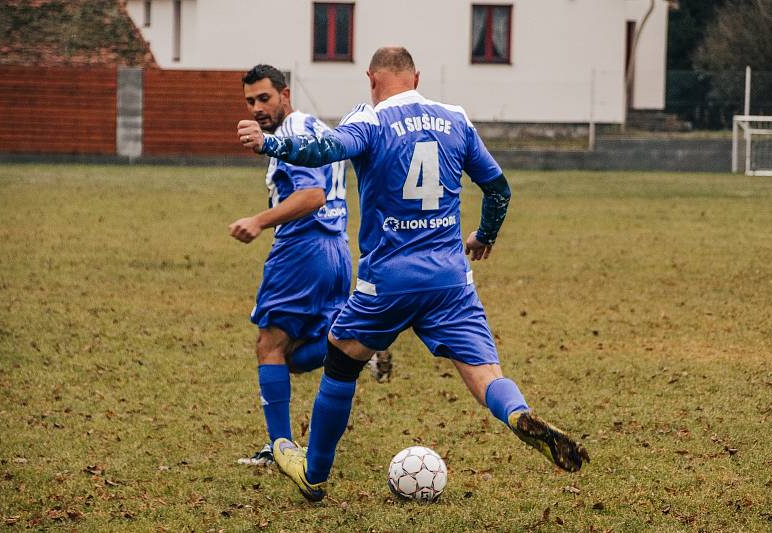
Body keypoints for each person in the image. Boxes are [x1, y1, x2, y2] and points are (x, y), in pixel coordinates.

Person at [237, 48, 589, 500]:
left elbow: (324, 149)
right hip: (451, 281)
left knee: (341, 363)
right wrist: (484, 235)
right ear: (416, 77)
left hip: (387, 282)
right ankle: (519, 414)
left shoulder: (370, 120)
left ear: (371, 80)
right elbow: (498, 189)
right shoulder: (455, 118)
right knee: (485, 375)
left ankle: (315, 474)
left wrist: (271, 143)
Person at [230, 64, 390, 467]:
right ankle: (366, 346)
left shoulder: (292, 133)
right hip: (336, 249)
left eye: (264, 98)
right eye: (250, 101)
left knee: (269, 346)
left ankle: (278, 447)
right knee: (297, 356)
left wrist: (259, 220)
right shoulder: (315, 127)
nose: (257, 108)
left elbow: (313, 195)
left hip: (302, 249)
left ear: (285, 93)